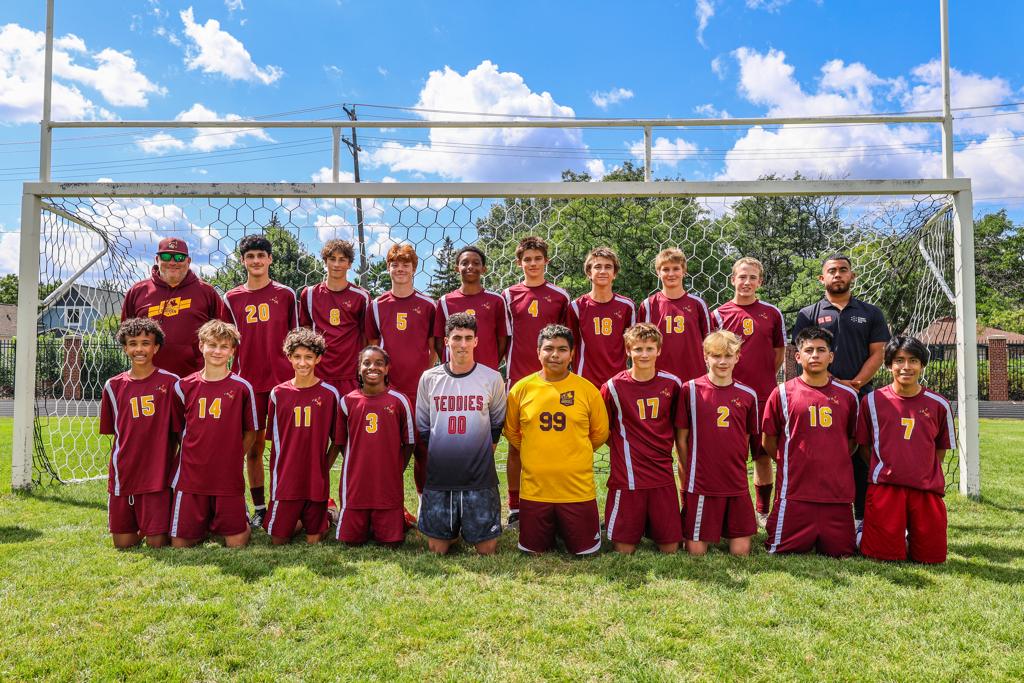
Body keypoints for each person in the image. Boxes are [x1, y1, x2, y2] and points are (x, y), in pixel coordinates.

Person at [791, 254, 891, 529]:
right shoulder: (807, 314)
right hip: (821, 395)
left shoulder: (871, 313)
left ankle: (862, 516)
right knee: (820, 453)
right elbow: (801, 353)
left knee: (862, 454)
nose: (838, 275)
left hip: (860, 395)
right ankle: (813, 512)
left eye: (843, 270)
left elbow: (878, 352)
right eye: (831, 271)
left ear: (852, 276)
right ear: (822, 278)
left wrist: (856, 383)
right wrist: (829, 380)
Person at [504, 324, 610, 556]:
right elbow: (511, 431)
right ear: (538, 352)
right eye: (548, 348)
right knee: (532, 552)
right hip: (535, 492)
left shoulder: (587, 390)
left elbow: (601, 433)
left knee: (585, 553)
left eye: (562, 349)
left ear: (572, 354)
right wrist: (533, 448)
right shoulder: (520, 389)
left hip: (577, 490)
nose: (555, 355)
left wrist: (575, 448)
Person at [761, 326, 860, 557]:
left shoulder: (848, 396)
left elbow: (853, 441)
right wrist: (791, 459)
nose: (814, 355)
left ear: (831, 356)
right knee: (780, 550)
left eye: (821, 350)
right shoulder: (782, 393)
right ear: (798, 356)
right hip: (795, 491)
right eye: (808, 350)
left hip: (836, 493)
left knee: (843, 552)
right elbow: (769, 440)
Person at [223, 234, 299, 529]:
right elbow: (224, 340)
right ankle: (259, 508)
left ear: (270, 259)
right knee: (251, 448)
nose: (256, 261)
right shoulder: (231, 298)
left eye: (261, 256)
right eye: (250, 256)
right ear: (243, 261)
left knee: (284, 449)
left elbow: (296, 338)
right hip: (247, 383)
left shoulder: (286, 294)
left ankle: (285, 505)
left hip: (283, 384)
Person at [856, 335, 953, 563]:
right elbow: (864, 447)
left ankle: (908, 536)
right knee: (882, 556)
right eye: (899, 360)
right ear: (889, 365)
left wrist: (921, 471)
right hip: (886, 488)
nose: (906, 367)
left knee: (932, 558)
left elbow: (940, 450)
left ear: (922, 364)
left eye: (913, 360)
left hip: (925, 489)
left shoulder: (939, 404)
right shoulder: (871, 401)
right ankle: (863, 533)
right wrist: (889, 468)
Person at [416, 313, 507, 555]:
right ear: (446, 341)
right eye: (457, 338)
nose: (463, 344)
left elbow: (498, 421)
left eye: (468, 338)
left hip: (479, 478)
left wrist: (488, 449)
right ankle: (450, 529)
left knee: (487, 549)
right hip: (441, 477)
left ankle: (468, 525)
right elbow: (424, 426)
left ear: (476, 341)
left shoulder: (492, 378)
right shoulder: (429, 379)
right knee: (437, 549)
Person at [712, 257, 786, 526]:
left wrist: (763, 377)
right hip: (730, 397)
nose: (746, 282)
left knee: (763, 454)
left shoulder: (772, 313)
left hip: (764, 395)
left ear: (760, 282)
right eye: (742, 277)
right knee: (731, 455)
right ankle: (730, 508)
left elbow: (778, 352)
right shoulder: (718, 314)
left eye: (752, 277)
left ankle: (762, 511)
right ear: (732, 279)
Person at [501, 236, 571, 526]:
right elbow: (504, 338)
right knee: (517, 444)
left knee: (557, 442)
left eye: (537, 258)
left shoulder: (560, 296)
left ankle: (558, 500)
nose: (532, 263)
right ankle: (516, 506)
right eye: (527, 259)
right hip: (518, 379)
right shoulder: (508, 295)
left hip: (554, 382)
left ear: (546, 261)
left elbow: (568, 340)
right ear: (520, 263)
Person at [169, 320, 258, 548]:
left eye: (224, 346)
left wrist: (234, 456)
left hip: (226, 475)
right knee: (180, 544)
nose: (217, 351)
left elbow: (250, 432)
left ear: (232, 351)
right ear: (201, 346)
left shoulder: (242, 387)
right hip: (191, 474)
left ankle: (240, 518)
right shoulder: (182, 386)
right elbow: (178, 429)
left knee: (236, 543)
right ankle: (205, 523)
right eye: (212, 345)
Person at [601, 323, 686, 554]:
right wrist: (625, 447)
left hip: (662, 475)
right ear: (628, 351)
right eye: (638, 349)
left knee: (670, 548)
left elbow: (680, 430)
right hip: (628, 477)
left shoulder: (673, 384)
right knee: (623, 549)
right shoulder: (613, 386)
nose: (644, 354)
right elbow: (604, 430)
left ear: (659, 350)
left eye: (649, 348)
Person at [364, 243, 436, 512]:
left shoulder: (429, 304)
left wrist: (424, 378)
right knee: (389, 453)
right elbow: (372, 349)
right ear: (388, 268)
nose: (400, 268)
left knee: (422, 452)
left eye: (406, 264)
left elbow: (433, 347)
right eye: (395, 264)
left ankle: (423, 506)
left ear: (414, 268)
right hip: (388, 393)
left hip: (419, 392)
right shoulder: (376, 305)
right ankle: (388, 505)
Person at [99, 318, 182, 549]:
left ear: (156, 348)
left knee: (157, 543)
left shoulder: (172, 383)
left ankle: (154, 527)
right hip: (124, 474)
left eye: (146, 343)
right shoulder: (113, 386)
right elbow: (113, 431)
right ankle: (140, 527)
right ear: (125, 348)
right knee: (122, 544)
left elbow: (179, 434)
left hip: (157, 475)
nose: (139, 349)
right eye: (133, 343)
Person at [678, 331, 760, 556]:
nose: (722, 361)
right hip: (702, 481)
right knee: (695, 551)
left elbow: (745, 437)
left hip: (734, 479)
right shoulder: (690, 390)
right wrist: (690, 473)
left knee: (741, 551)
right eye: (716, 356)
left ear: (737, 357)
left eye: (728, 355)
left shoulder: (748, 394)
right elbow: (682, 439)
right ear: (705, 357)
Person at [264, 328, 341, 545]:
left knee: (313, 539)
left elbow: (337, 439)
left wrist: (324, 466)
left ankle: (328, 513)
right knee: (278, 539)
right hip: (286, 478)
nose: (303, 363)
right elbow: (276, 439)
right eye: (297, 357)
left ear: (318, 358)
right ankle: (292, 518)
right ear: (289, 357)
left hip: (316, 478)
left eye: (308, 357)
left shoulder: (329, 394)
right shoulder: (278, 393)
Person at [335, 346, 416, 547]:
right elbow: (341, 442)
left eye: (379, 363)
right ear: (359, 368)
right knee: (350, 542)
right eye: (367, 363)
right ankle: (333, 514)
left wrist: (397, 468)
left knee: (391, 543)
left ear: (387, 369)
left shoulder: (399, 400)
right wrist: (356, 464)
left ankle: (400, 517)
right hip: (355, 485)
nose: (373, 367)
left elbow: (409, 443)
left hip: (387, 485)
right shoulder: (347, 401)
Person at [121, 237, 227, 378]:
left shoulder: (206, 292)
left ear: (188, 261)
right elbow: (126, 334)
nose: (172, 262)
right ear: (157, 259)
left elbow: (221, 334)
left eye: (179, 257)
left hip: (195, 379)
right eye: (166, 256)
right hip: (147, 378)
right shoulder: (137, 291)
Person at [299, 239, 370, 394]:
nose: (336, 264)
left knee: (348, 417)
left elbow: (366, 335)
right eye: (332, 259)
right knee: (321, 418)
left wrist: (362, 365)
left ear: (349, 264)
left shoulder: (361, 296)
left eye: (342, 260)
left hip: (350, 372)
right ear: (325, 261)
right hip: (318, 371)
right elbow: (305, 332)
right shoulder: (309, 294)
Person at [567, 247, 637, 390]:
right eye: (597, 267)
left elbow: (633, 345)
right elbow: (570, 346)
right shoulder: (576, 307)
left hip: (618, 380)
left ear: (614, 273)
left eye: (608, 267)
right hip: (584, 379)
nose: (603, 271)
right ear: (589, 273)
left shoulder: (627, 306)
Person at [432, 246, 510, 372]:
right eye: (464, 263)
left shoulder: (496, 300)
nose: (470, 266)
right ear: (457, 268)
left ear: (484, 269)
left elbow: (503, 340)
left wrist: (491, 362)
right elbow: (439, 341)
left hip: (486, 370)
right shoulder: (445, 301)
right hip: (455, 372)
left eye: (476, 263)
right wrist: (452, 364)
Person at [640, 247, 711, 383]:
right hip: (657, 378)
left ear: (684, 271)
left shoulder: (698, 304)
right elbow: (639, 343)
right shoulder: (648, 305)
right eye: (665, 269)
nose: (671, 273)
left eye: (676, 269)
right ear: (658, 273)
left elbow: (710, 344)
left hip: (693, 377)